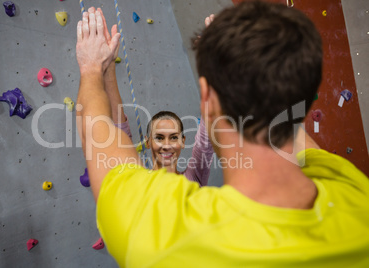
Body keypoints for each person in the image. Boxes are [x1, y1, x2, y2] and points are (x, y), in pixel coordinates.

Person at [76, 2, 369, 267]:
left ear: (206, 99)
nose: (167, 145)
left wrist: (92, 68)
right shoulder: (353, 188)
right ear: (303, 102)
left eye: (173, 137)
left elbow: (98, 134)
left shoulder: (161, 234)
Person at [102, 16, 214, 185]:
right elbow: (120, 133)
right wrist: (109, 67)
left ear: (183, 142)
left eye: (174, 137)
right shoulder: (137, 179)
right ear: (148, 142)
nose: (167, 145)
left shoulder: (193, 177)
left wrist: (215, 60)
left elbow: (207, 133)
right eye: (159, 137)